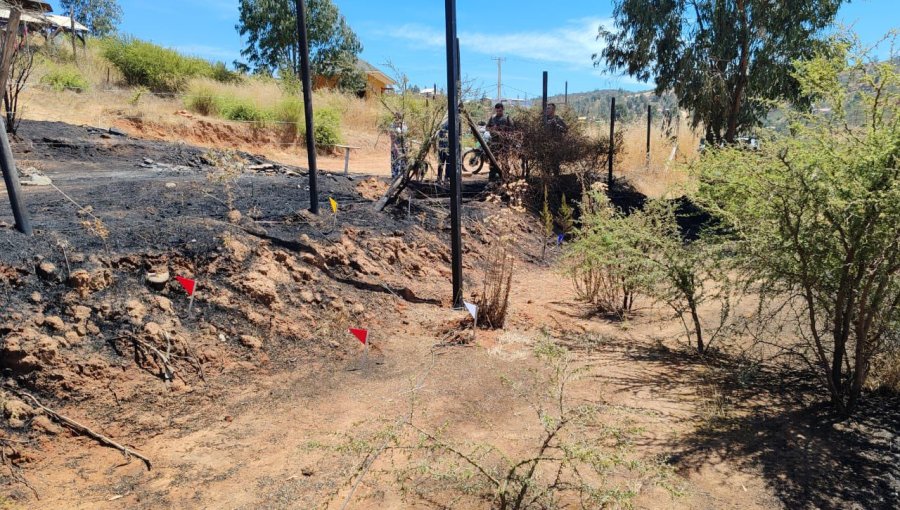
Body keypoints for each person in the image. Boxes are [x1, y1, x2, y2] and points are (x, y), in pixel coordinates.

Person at [485, 103, 512, 181]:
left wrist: (503, 132)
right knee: (493, 160)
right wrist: (492, 129)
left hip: (504, 143)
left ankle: (505, 176)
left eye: (500, 110)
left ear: (503, 109)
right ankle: (492, 177)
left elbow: (512, 130)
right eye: (497, 110)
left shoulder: (507, 118)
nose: (498, 112)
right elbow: (487, 127)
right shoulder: (492, 118)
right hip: (494, 142)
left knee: (505, 160)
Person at [389, 113, 408, 179]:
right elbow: (392, 138)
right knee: (395, 162)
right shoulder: (392, 125)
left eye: (398, 118)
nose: (397, 119)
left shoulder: (404, 125)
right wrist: (395, 147)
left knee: (403, 162)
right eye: (396, 118)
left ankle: (403, 177)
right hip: (395, 147)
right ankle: (395, 177)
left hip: (403, 147)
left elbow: (405, 136)